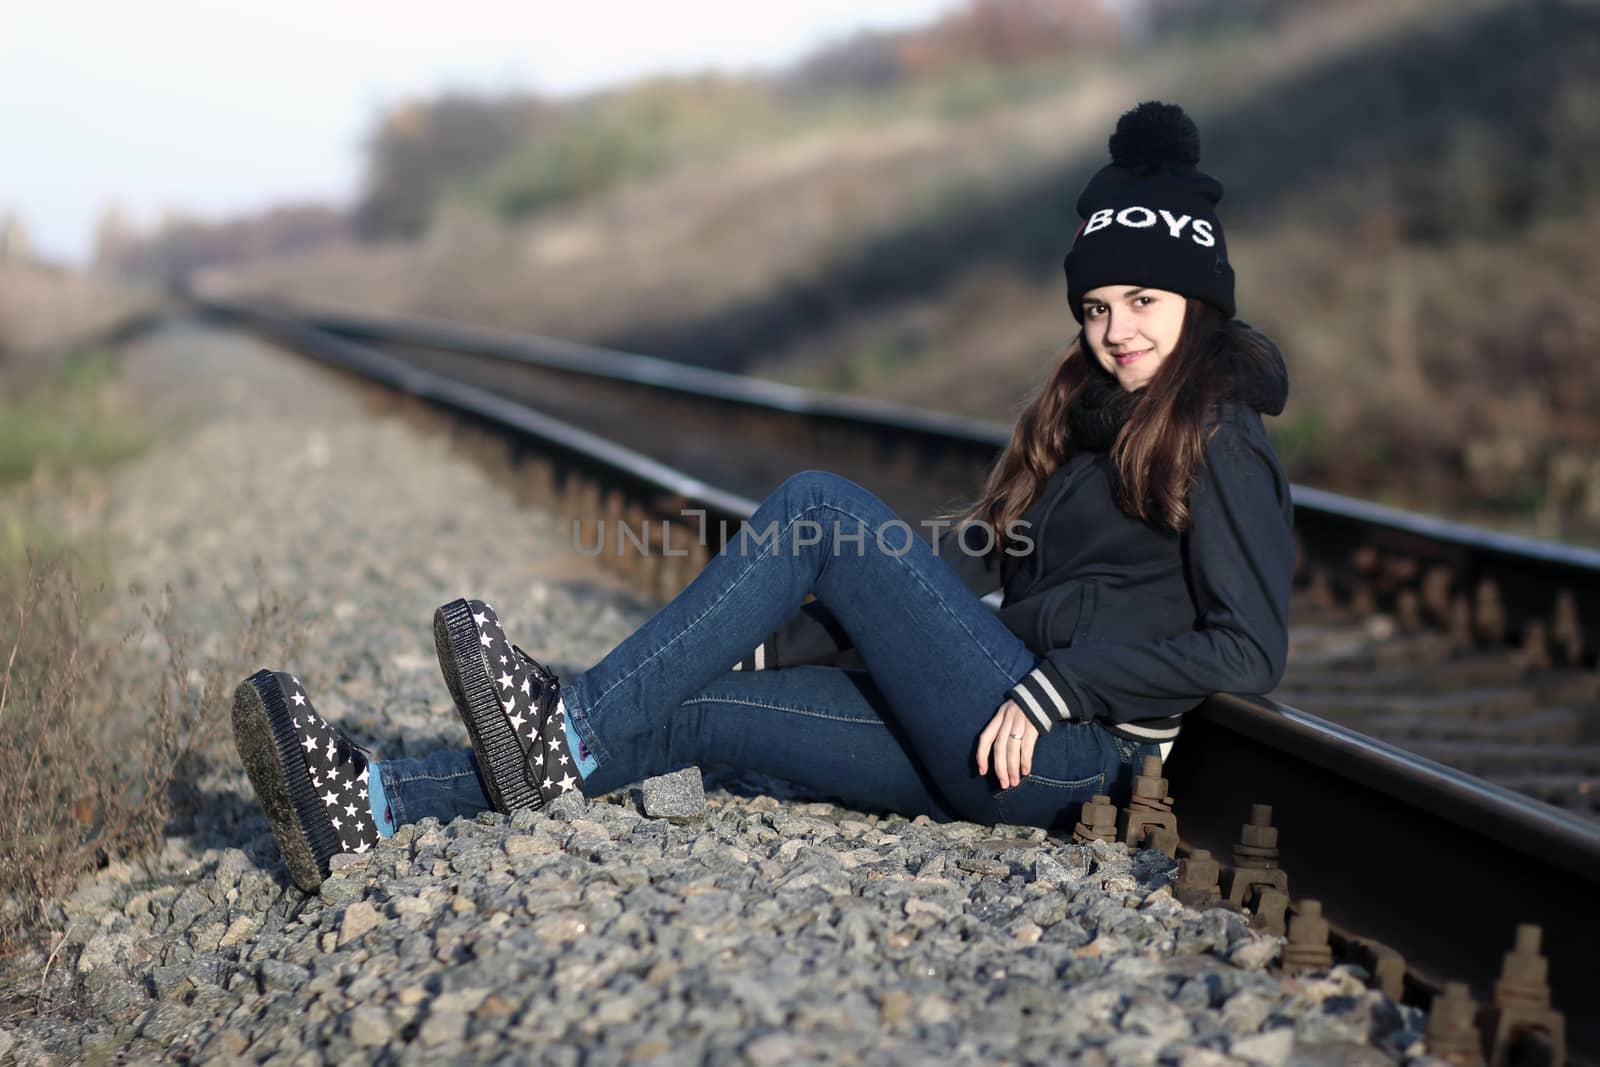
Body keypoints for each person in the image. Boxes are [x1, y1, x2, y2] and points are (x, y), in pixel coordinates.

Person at [232, 101, 1295, 893]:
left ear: (1200, 300)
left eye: (1144, 300)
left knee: (820, 504)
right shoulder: (1084, 422)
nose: (1118, 329)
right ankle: (369, 807)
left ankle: (562, 719)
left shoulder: (1222, 433)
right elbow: (990, 610)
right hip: (992, 725)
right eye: (1099, 305)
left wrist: (1060, 687)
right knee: (686, 706)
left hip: (1069, 755)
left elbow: (1246, 647)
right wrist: (772, 642)